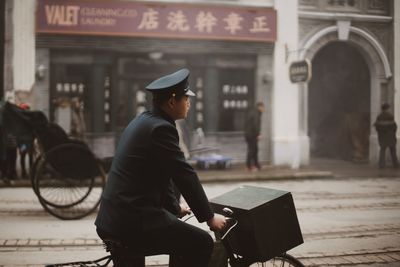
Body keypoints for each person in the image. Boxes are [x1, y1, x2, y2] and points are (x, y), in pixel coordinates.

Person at [95, 68, 226, 267]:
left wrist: (174, 207)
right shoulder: (162, 129)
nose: (189, 103)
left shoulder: (144, 120)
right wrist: (208, 217)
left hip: (114, 218)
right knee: (201, 242)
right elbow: (183, 174)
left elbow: (160, 175)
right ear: (172, 102)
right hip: (132, 220)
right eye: (186, 98)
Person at [374, 103, 399, 169]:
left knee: (382, 150)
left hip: (382, 136)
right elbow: (394, 127)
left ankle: (381, 164)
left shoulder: (379, 117)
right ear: (387, 108)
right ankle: (395, 164)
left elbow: (377, 127)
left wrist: (380, 133)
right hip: (390, 136)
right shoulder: (390, 116)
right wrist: (393, 133)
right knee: (393, 151)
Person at [244, 101, 265, 171]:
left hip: (249, 134)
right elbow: (256, 125)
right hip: (252, 135)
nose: (264, 109)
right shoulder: (256, 114)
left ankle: (256, 165)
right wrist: (258, 134)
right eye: (263, 107)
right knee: (252, 150)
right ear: (260, 107)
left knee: (255, 150)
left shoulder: (253, 112)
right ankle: (249, 166)